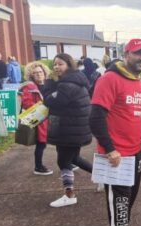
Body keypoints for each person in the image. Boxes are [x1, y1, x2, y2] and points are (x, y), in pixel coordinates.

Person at [89, 38, 141, 226]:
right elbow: (95, 117)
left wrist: (140, 148)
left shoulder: (137, 82)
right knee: (121, 201)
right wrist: (110, 148)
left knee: (127, 199)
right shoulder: (109, 79)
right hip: (116, 156)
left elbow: (131, 118)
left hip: (135, 152)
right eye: (137, 54)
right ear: (126, 55)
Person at [43, 53, 92, 208]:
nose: (56, 67)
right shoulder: (77, 80)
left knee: (63, 161)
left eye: (60, 64)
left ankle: (69, 194)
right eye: (55, 64)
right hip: (74, 128)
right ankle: (104, 178)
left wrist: (49, 84)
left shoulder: (66, 84)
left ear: (69, 65)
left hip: (68, 129)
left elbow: (51, 101)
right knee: (74, 159)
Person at [19, 61, 53, 175]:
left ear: (44, 72)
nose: (39, 74)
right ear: (31, 75)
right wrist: (41, 105)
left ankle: (69, 161)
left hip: (50, 118)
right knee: (41, 144)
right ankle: (38, 167)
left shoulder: (48, 84)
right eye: (35, 73)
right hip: (40, 119)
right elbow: (26, 103)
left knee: (58, 140)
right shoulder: (30, 87)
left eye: (40, 72)